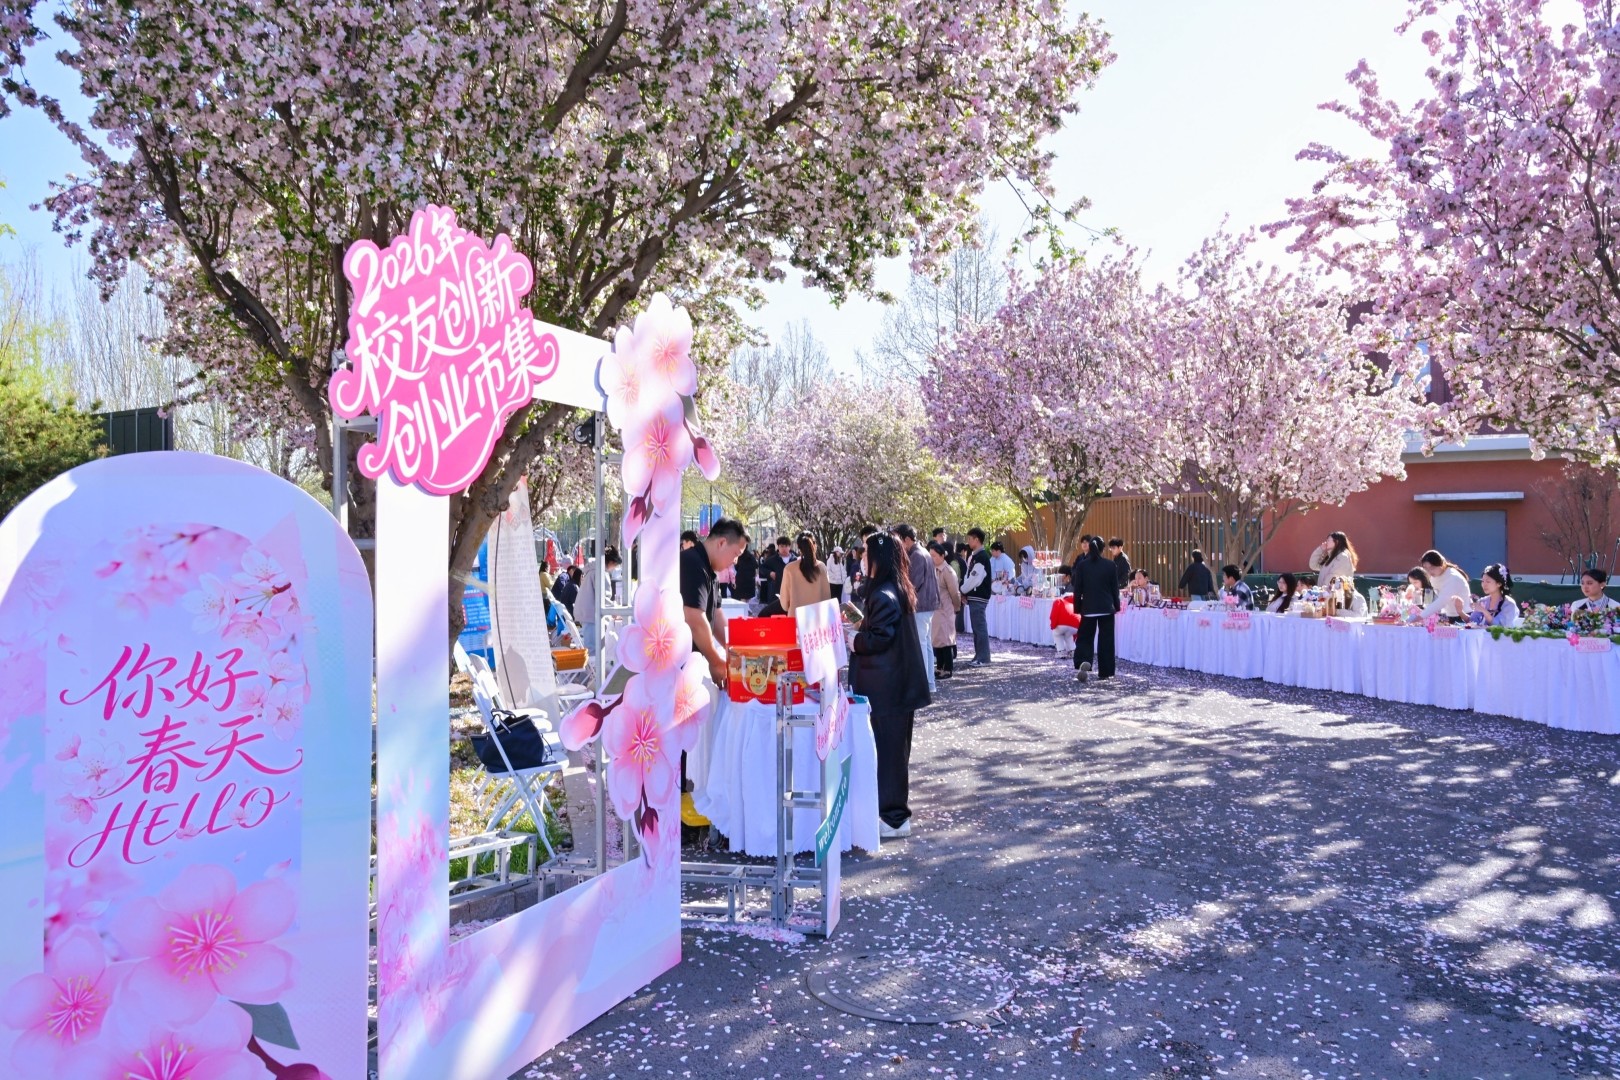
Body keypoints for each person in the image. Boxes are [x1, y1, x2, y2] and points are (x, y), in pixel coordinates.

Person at [849, 532, 931, 839]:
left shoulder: (884, 593)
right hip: (896, 686)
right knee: (893, 752)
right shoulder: (894, 588)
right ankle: (892, 814)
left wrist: (855, 640)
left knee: (890, 754)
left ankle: (894, 818)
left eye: (866, 552)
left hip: (889, 687)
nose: (862, 558)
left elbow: (881, 638)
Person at [681, 518, 747, 687]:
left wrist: (736, 652)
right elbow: (694, 618)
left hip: (692, 664)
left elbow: (716, 615)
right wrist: (715, 660)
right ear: (722, 543)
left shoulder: (710, 571)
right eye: (736, 554)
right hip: (676, 666)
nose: (735, 561)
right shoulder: (692, 563)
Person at [893, 524, 942, 694]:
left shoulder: (917, 555)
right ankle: (928, 684)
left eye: (899, 540)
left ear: (906, 539)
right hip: (926, 605)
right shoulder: (922, 552)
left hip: (921, 606)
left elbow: (913, 583)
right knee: (925, 645)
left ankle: (923, 685)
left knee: (921, 645)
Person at [1072, 537, 1121, 683]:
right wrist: (1116, 606)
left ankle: (1084, 660)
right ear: (1102, 549)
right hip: (1106, 607)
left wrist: (1077, 607)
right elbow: (1115, 589)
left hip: (1088, 607)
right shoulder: (1110, 565)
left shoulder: (1082, 566)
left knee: (1085, 637)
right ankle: (1105, 671)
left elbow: (1077, 589)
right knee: (1106, 640)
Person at [577, 546, 621, 653]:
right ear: (611, 562)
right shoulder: (600, 573)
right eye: (615, 565)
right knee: (594, 650)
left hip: (586, 612)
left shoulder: (592, 570)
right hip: (593, 615)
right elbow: (602, 597)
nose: (614, 568)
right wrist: (615, 610)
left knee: (591, 647)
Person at [929, 542, 964, 678]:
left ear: (942, 556)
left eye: (934, 556)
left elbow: (955, 593)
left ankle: (948, 669)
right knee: (937, 639)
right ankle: (939, 667)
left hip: (946, 609)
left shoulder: (948, 571)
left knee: (946, 640)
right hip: (936, 609)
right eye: (930, 555)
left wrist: (957, 607)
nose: (932, 558)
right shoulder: (933, 569)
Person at [961, 528, 994, 666]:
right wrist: (965, 591)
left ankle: (984, 657)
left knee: (979, 628)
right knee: (976, 628)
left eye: (970, 539)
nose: (968, 541)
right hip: (975, 596)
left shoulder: (981, 557)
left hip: (979, 597)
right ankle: (979, 655)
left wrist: (962, 590)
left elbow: (974, 579)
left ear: (977, 540)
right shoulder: (976, 556)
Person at [779, 532, 832, 616]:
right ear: (815, 545)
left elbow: (785, 604)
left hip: (796, 619)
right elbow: (827, 597)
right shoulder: (822, 567)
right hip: (818, 618)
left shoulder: (789, 569)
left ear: (798, 547)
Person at [1420, 549, 1472, 618]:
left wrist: (1420, 616)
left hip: (1463, 616)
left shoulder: (1453, 577)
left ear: (1442, 564)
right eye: (1425, 568)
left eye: (1432, 568)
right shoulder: (1433, 576)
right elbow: (1432, 595)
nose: (1429, 571)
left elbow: (1441, 601)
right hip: (1448, 615)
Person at [1472, 563, 1520, 627]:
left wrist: (1484, 611)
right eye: (1482, 581)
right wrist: (1461, 611)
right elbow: (1472, 622)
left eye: (1488, 582)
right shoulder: (1483, 601)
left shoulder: (1509, 604)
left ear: (1499, 584)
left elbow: (1501, 627)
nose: (1484, 584)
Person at [757, 535, 793, 616]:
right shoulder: (772, 560)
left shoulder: (795, 560)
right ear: (778, 547)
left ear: (789, 547)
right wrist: (769, 573)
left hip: (791, 594)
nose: (784, 549)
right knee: (775, 616)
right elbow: (762, 568)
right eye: (782, 546)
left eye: (786, 546)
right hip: (775, 593)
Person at [1049, 592, 1080, 657]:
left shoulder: (1059, 601)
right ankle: (1073, 651)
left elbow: (1054, 615)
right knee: (1068, 635)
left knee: (1057, 634)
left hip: (1062, 624)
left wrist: (1053, 626)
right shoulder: (1075, 604)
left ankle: (1061, 652)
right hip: (1075, 626)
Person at [951, 542, 970, 633]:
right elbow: (965, 576)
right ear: (963, 551)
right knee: (959, 608)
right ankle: (959, 627)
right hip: (960, 587)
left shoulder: (952, 559)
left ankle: (953, 627)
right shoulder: (962, 561)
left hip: (951, 586)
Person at [733, 537, 758, 604]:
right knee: (748, 598)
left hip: (741, 578)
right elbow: (756, 566)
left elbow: (736, 567)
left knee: (742, 597)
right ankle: (747, 607)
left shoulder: (739, 556)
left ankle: (744, 608)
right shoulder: (751, 556)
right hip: (750, 579)